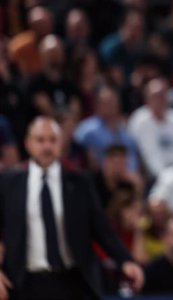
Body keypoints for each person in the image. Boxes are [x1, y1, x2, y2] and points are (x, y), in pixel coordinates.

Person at [0, 116, 144, 300]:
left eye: (52, 140)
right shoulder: (8, 183)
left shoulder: (81, 182)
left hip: (73, 281)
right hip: (24, 282)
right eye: (40, 140)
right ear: (28, 144)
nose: (46, 146)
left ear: (60, 144)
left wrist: (125, 260)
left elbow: (101, 229)